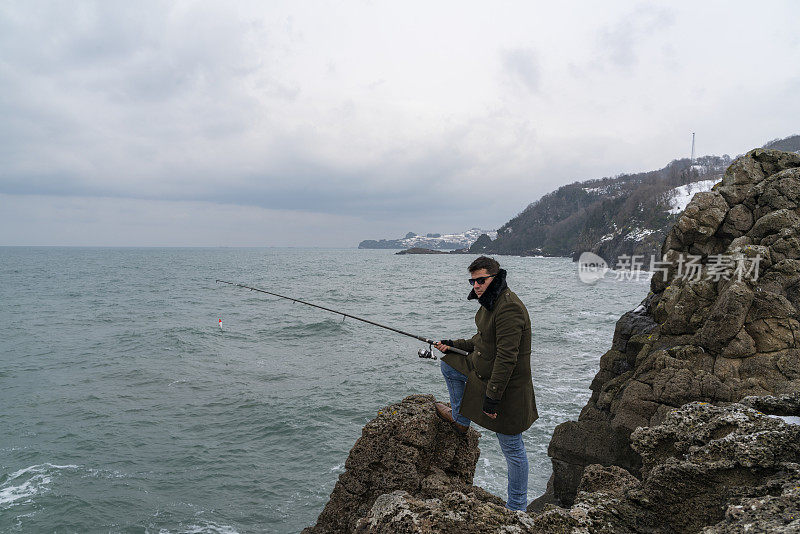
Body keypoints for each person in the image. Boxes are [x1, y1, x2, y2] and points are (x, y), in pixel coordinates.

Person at [434, 255, 537, 512]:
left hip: (507, 387)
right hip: (484, 371)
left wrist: (492, 398)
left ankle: (517, 508)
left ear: (495, 276)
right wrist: (454, 345)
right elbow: (481, 341)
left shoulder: (509, 308)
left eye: (481, 280)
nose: (476, 285)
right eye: (473, 281)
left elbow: (506, 358)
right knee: (448, 363)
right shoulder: (490, 303)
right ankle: (460, 419)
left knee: (512, 447)